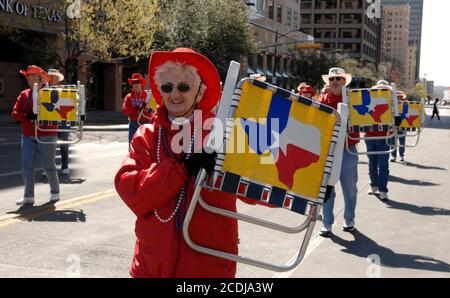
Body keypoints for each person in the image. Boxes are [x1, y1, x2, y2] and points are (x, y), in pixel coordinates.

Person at [114, 48, 259, 277]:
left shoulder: (223, 135)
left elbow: (256, 186)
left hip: (208, 266)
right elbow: (132, 191)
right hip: (153, 266)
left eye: (184, 87)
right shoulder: (147, 135)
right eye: (167, 87)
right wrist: (184, 169)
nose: (175, 94)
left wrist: (313, 186)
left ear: (200, 92)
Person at [318, 67, 359, 237]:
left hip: (348, 150)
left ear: (344, 82)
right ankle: (327, 223)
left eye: (338, 78)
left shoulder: (354, 100)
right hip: (327, 151)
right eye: (332, 79)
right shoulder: (320, 101)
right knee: (327, 189)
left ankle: (349, 220)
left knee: (350, 190)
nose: (334, 81)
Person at [12, 65, 60, 205]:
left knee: (48, 165)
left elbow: (58, 111)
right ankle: (28, 196)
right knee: (26, 165)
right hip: (28, 135)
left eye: (33, 77)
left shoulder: (51, 93)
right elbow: (15, 113)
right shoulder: (24, 94)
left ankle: (55, 192)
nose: (30, 79)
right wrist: (27, 115)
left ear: (41, 79)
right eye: (29, 77)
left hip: (48, 134)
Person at [364, 80, 395, 202]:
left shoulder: (392, 103)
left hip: (385, 136)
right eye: (378, 89)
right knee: (372, 163)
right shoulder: (369, 102)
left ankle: (383, 190)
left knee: (383, 164)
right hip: (370, 136)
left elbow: (398, 118)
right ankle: (374, 185)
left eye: (384, 90)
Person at [48, 69, 71, 175]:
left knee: (64, 145)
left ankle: (65, 166)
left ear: (58, 78)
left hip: (63, 120)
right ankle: (48, 168)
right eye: (50, 76)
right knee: (49, 147)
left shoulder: (65, 89)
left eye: (54, 76)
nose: (52, 78)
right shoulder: (44, 89)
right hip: (49, 121)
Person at [122, 73, 149, 146]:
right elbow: (124, 110)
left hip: (146, 122)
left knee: (146, 144)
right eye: (133, 82)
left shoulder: (148, 95)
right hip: (133, 123)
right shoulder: (129, 96)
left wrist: (145, 108)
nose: (135, 84)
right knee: (132, 143)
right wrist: (134, 108)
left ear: (141, 83)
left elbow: (153, 110)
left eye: (137, 82)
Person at [391, 90, 408, 162]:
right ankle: (393, 156)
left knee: (402, 142)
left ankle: (401, 155)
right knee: (392, 142)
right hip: (393, 126)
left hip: (402, 126)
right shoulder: (391, 105)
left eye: (400, 97)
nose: (398, 98)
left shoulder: (406, 104)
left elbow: (407, 114)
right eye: (397, 97)